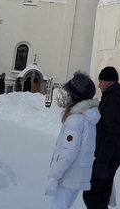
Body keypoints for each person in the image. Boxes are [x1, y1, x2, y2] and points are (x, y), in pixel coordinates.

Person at [82, 67, 120, 209]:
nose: (99, 85)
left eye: (101, 81)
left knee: (91, 194)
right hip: (111, 156)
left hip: (109, 157)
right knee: (101, 195)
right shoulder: (113, 98)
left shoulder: (114, 101)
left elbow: (115, 133)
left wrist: (102, 161)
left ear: (109, 82)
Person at [46, 72, 100, 209]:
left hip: (68, 177)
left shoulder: (76, 119)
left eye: (70, 92)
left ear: (75, 95)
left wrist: (53, 177)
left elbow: (68, 153)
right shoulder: (88, 117)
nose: (68, 96)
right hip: (76, 177)